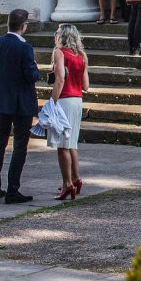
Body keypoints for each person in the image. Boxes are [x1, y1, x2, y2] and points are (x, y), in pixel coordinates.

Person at [0, 8, 40, 205]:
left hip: (1, 101)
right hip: (21, 103)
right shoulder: (24, 48)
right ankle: (13, 189)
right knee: (20, 146)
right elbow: (31, 76)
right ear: (24, 26)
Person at [46, 23, 89, 201]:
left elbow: (60, 78)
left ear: (61, 36)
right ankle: (75, 177)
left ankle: (67, 183)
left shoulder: (59, 52)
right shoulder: (82, 56)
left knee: (62, 145)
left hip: (64, 99)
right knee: (72, 143)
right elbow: (86, 85)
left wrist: (52, 102)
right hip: (77, 99)